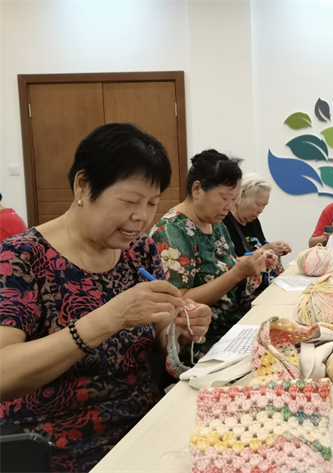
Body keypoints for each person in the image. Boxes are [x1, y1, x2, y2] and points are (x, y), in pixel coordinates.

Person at [0, 123, 212, 472]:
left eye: (152, 203)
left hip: (146, 424)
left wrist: (179, 329)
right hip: (58, 445)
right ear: (83, 185)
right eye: (129, 201)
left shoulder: (140, 250)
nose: (141, 217)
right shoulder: (21, 256)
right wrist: (108, 318)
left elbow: (159, 335)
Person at [150, 150, 277, 361]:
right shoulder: (171, 230)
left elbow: (219, 268)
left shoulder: (215, 223)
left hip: (232, 329)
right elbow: (179, 301)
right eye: (225, 198)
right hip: (200, 341)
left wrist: (253, 263)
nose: (230, 206)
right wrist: (238, 272)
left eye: (234, 199)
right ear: (197, 189)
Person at [224, 173, 291, 258]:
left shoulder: (253, 221)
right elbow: (229, 262)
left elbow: (262, 246)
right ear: (241, 197)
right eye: (259, 204)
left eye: (264, 206)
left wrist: (277, 249)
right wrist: (264, 250)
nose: (261, 210)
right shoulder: (223, 223)